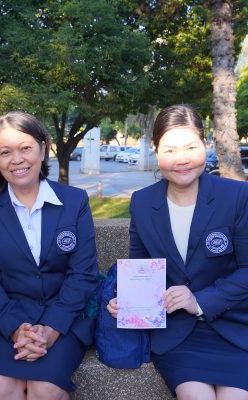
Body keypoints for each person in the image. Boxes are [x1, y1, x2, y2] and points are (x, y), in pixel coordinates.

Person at [107, 104, 248, 400]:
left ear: (204, 144)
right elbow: (141, 267)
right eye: (170, 150)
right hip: (178, 334)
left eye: (191, 147)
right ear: (156, 150)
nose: (181, 159)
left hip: (235, 327)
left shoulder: (237, 196)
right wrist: (126, 300)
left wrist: (199, 300)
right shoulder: (142, 202)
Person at [0, 111, 98, 400]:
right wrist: (16, 330)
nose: (17, 159)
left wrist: (51, 329)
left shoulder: (74, 201)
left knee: (46, 388)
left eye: (25, 148)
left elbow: (82, 274)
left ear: (42, 149)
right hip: (6, 319)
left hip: (64, 318)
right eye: (5, 152)